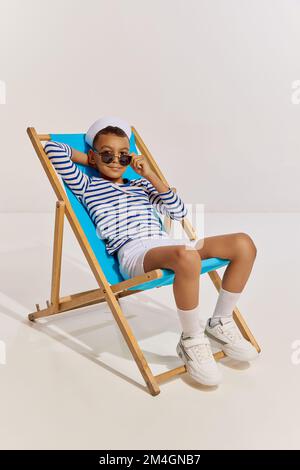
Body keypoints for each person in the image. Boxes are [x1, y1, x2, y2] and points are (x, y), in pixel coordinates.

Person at [44, 116, 258, 387]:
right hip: (135, 252)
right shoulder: (87, 185)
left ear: (131, 158)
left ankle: (220, 322)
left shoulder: (141, 185)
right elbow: (53, 149)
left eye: (123, 156)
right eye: (107, 154)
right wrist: (93, 161)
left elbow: (178, 212)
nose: (115, 161)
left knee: (243, 243)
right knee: (187, 256)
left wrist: (150, 175)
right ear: (93, 156)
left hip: (165, 245)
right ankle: (191, 340)